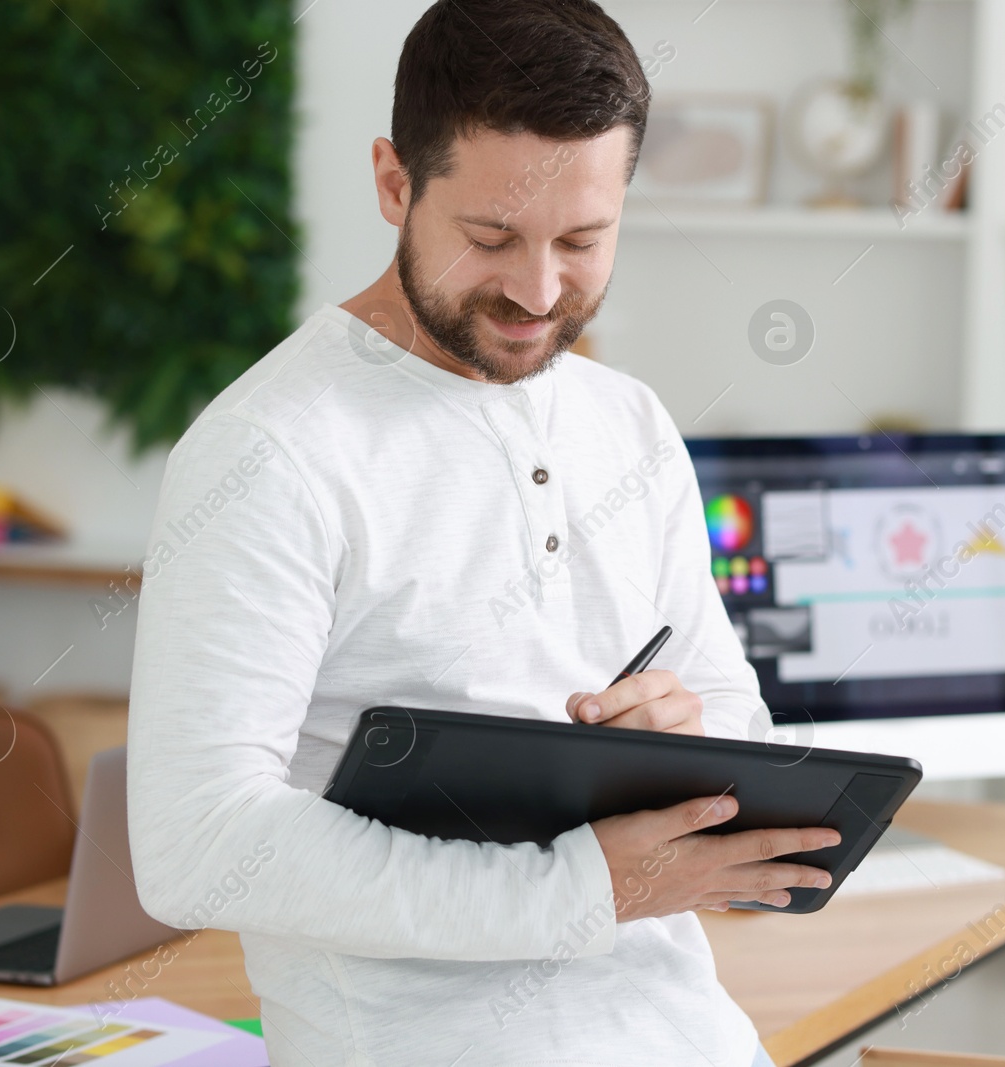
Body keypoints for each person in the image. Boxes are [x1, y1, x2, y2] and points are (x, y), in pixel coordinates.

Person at [126, 2, 836, 1064]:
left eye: (583, 240)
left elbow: (729, 704)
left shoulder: (628, 420)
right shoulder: (267, 452)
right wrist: (578, 887)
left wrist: (687, 749)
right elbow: (196, 847)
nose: (538, 291)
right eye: (491, 238)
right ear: (392, 183)